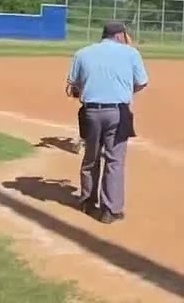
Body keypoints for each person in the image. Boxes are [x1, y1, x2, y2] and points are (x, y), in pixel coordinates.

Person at [66, 21, 149, 224]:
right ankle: (110, 210)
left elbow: (72, 85)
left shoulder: (82, 53)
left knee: (91, 157)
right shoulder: (131, 54)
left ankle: (87, 201)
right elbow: (142, 82)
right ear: (120, 36)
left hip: (91, 111)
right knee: (114, 161)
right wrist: (125, 91)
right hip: (118, 111)